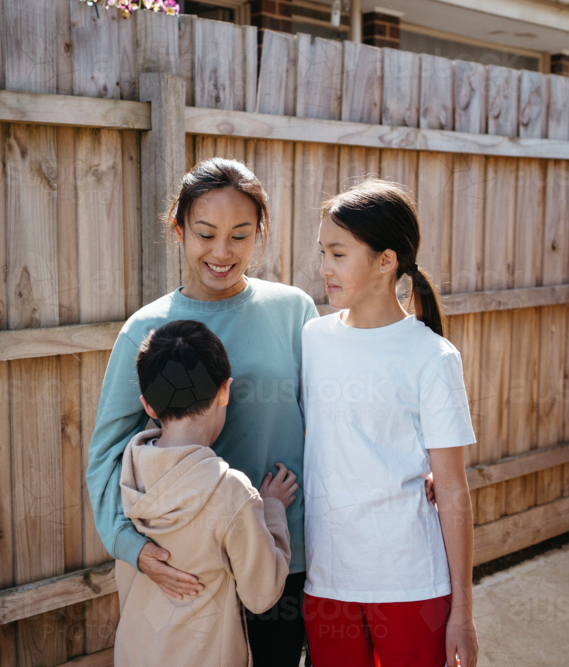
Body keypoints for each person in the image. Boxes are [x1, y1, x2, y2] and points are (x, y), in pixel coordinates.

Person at [86, 158, 319, 665]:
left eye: (240, 235)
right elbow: (104, 455)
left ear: (260, 233)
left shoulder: (295, 310)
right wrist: (133, 548)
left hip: (283, 551)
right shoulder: (145, 329)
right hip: (188, 565)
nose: (221, 252)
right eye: (205, 233)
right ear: (179, 229)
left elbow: (330, 421)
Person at [301, 179, 480, 667]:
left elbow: (453, 491)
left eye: (338, 254)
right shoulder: (312, 339)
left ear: (386, 261)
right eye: (323, 252)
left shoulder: (432, 357)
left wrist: (462, 614)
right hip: (327, 580)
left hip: (411, 584)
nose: (324, 268)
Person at [114, 319, 298, 667]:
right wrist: (272, 509)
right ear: (225, 391)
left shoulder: (129, 469)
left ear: (149, 407)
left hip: (136, 654)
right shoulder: (230, 491)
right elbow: (261, 594)